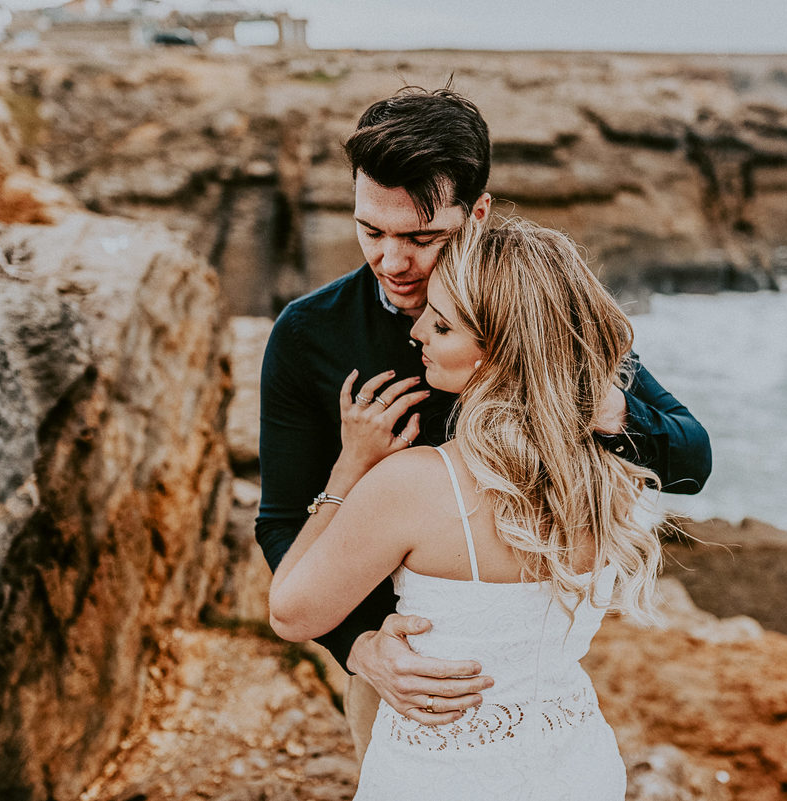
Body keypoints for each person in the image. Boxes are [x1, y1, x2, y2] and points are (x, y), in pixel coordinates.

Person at [254, 86, 711, 758]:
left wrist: (607, 409)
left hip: (535, 665)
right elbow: (281, 521)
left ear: (478, 213)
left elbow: (692, 459)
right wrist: (362, 648)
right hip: (402, 667)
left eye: (422, 236)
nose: (391, 261)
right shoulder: (309, 335)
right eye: (370, 230)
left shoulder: (539, 313)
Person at [269, 215, 670, 798]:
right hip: (576, 764)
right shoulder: (607, 478)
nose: (417, 333)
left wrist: (348, 469)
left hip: (443, 778)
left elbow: (290, 612)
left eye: (444, 324)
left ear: (496, 350)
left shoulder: (411, 485)